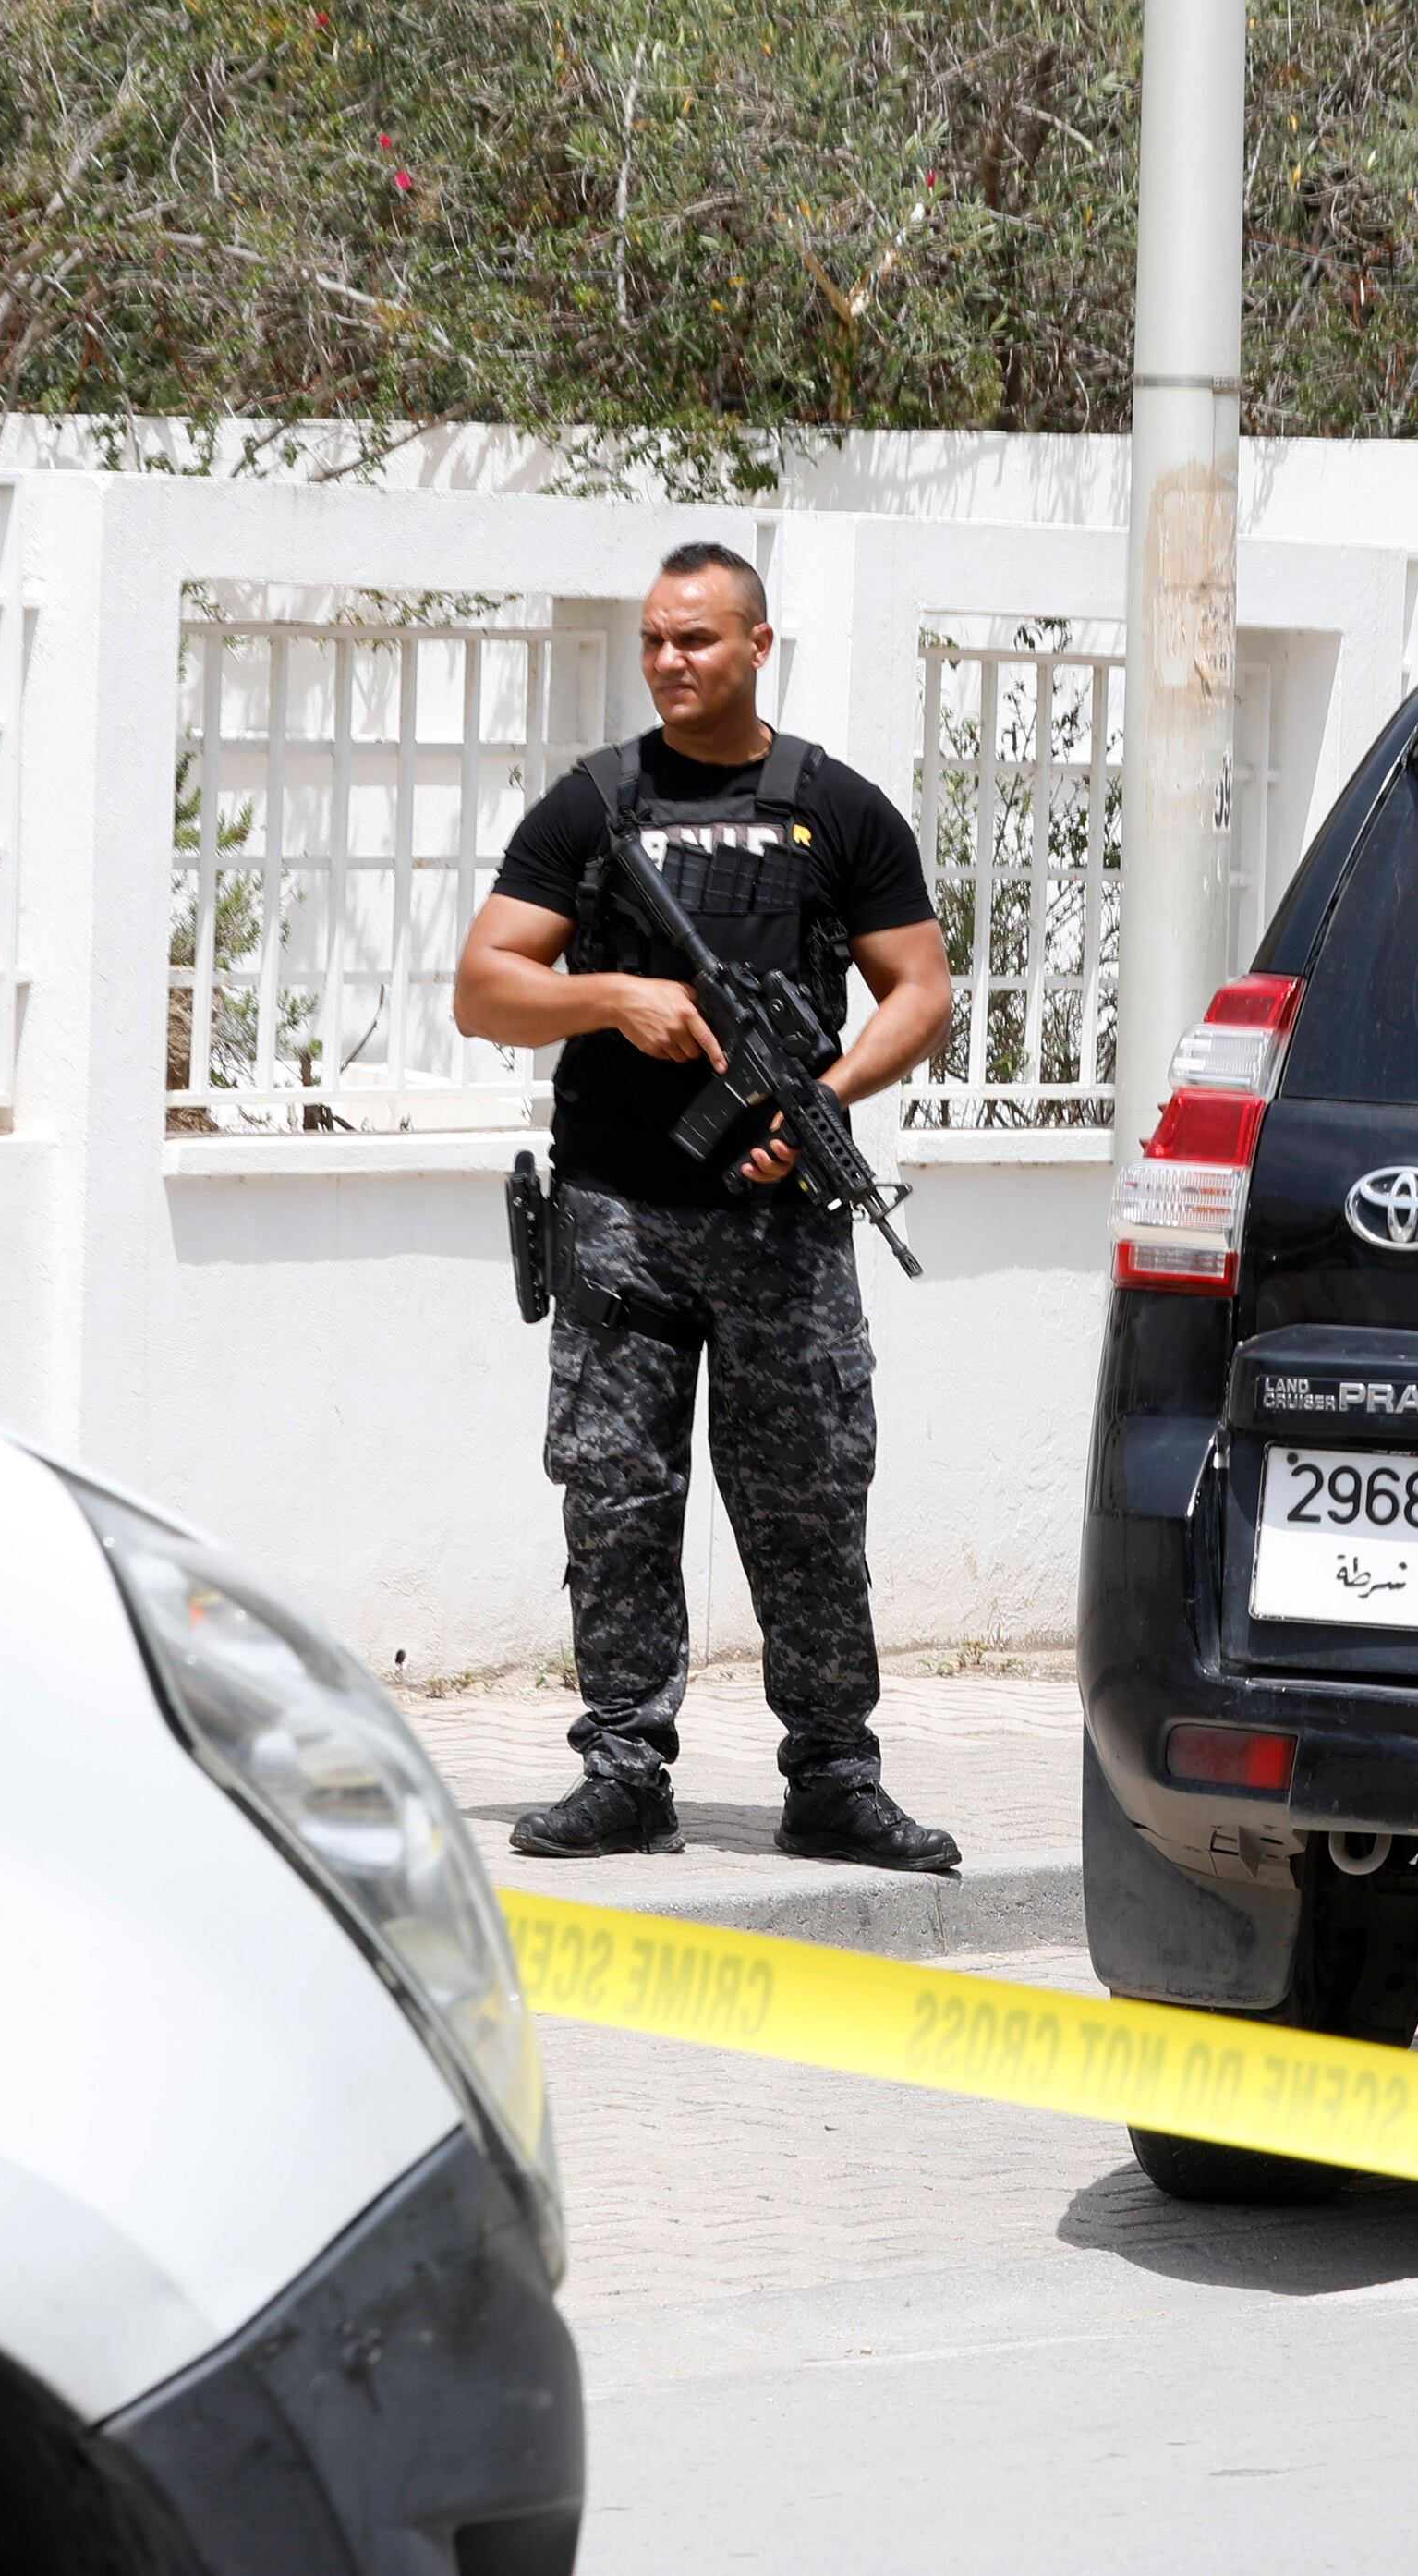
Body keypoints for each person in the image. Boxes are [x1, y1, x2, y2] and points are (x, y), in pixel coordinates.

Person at [454, 541, 964, 1873]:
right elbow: (485, 983)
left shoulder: (834, 808)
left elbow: (921, 988)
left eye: (699, 640)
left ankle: (834, 1778)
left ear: (757, 644)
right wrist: (610, 997)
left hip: (781, 1225)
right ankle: (625, 1767)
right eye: (657, 643)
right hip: (621, 1212)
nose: (674, 663)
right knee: (617, 1499)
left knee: (806, 1506)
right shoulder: (597, 805)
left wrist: (825, 1101)